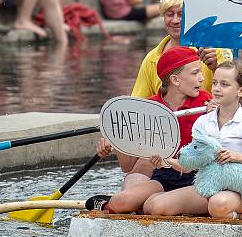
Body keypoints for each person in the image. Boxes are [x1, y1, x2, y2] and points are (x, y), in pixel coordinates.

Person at [142, 60, 242, 218]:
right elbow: (189, 166)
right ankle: (217, 212)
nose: (217, 89)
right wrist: (166, 160)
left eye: (224, 84)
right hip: (209, 186)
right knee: (154, 206)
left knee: (217, 204)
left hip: (240, 189)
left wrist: (236, 156)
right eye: (215, 83)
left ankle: (238, 214)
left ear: (241, 91)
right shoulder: (203, 122)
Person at [89, 46, 213, 214]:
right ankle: (108, 206)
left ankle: (150, 206)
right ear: (175, 80)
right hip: (163, 176)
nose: (202, 78)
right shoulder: (148, 108)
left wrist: (220, 112)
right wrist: (115, 141)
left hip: (198, 177)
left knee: (154, 208)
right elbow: (127, 167)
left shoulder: (207, 102)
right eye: (195, 73)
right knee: (121, 201)